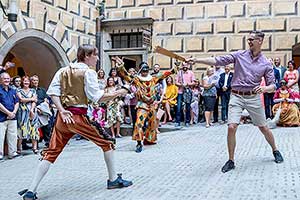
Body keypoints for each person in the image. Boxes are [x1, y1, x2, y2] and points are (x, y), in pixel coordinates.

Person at [19, 45, 132, 200]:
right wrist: (121, 91)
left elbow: (53, 93)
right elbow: (97, 97)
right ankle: (113, 180)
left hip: (62, 118)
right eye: (95, 55)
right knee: (108, 142)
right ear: (86, 56)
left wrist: (61, 110)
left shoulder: (63, 71)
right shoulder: (89, 73)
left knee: (51, 152)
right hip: (78, 117)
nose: (97, 58)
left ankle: (31, 191)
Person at [187, 30, 284, 173]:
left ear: (260, 41)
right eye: (248, 39)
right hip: (236, 96)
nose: (249, 41)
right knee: (231, 126)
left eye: (252, 39)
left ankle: (275, 150)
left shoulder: (265, 63)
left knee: (263, 127)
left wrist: (264, 89)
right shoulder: (240, 55)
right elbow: (218, 60)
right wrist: (196, 60)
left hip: (253, 97)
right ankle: (231, 160)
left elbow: (273, 85)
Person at [114, 57, 176, 153]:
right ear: (140, 70)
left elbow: (164, 74)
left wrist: (175, 68)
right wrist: (121, 66)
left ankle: (149, 139)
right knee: (139, 123)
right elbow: (126, 75)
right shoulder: (136, 79)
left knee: (152, 123)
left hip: (152, 105)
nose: (145, 71)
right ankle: (139, 142)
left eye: (147, 69)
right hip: (142, 104)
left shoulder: (153, 78)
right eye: (143, 70)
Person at [16, 76, 39, 154]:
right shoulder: (18, 90)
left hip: (32, 112)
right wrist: (32, 99)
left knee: (34, 128)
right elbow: (21, 99)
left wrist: (32, 110)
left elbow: (35, 101)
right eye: (24, 81)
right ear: (22, 82)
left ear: (30, 82)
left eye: (27, 81)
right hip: (22, 113)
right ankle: (19, 148)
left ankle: (34, 148)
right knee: (21, 129)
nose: (26, 82)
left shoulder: (33, 90)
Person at [0, 73, 19, 160]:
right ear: (1, 80)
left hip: (12, 117)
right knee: (0, 136)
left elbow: (17, 102)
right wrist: (8, 113)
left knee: (13, 135)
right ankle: (0, 154)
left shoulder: (13, 90)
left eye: (8, 78)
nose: (7, 80)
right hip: (1, 118)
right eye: (5, 79)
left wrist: (13, 113)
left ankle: (12, 152)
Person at [30, 75, 52, 147]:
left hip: (43, 110)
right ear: (31, 82)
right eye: (34, 80)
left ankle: (48, 141)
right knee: (35, 128)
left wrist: (46, 102)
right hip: (34, 110)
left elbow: (46, 98)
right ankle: (36, 144)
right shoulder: (30, 91)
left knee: (46, 126)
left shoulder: (42, 90)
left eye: (36, 80)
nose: (35, 82)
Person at [175, 62, 195, 127]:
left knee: (188, 107)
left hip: (188, 92)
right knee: (178, 107)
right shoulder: (179, 73)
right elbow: (176, 82)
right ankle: (178, 121)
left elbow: (193, 82)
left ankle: (187, 121)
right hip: (180, 92)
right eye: (183, 65)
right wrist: (181, 85)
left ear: (188, 66)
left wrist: (187, 84)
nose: (184, 66)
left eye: (186, 65)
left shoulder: (191, 73)